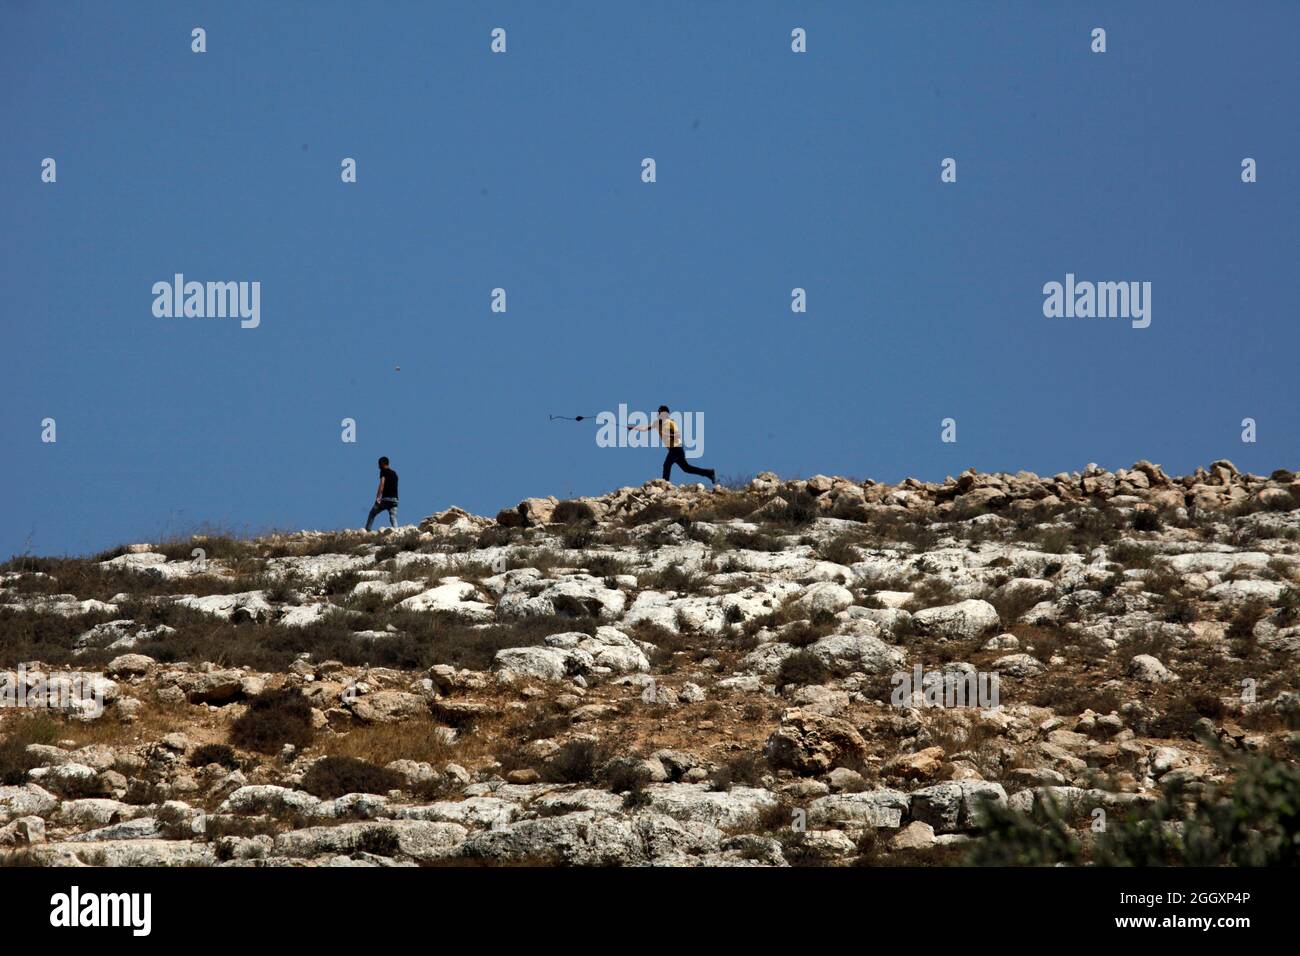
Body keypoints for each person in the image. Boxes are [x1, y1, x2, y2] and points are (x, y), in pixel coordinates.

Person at [628, 405, 717, 486]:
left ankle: (665, 483)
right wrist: (634, 428)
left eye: (661, 413)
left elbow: (678, 435)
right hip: (673, 449)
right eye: (659, 413)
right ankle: (709, 473)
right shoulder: (656, 423)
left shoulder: (671, 423)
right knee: (687, 469)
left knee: (667, 464)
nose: (659, 414)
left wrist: (667, 435)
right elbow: (645, 428)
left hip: (677, 448)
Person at [365, 457, 399, 530]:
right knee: (393, 517)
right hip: (394, 500)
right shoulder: (394, 473)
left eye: (379, 464)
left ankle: (367, 531)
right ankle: (397, 532)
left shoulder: (383, 471)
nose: (378, 466)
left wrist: (378, 498)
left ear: (382, 464)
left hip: (385, 499)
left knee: (372, 513)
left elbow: (382, 484)